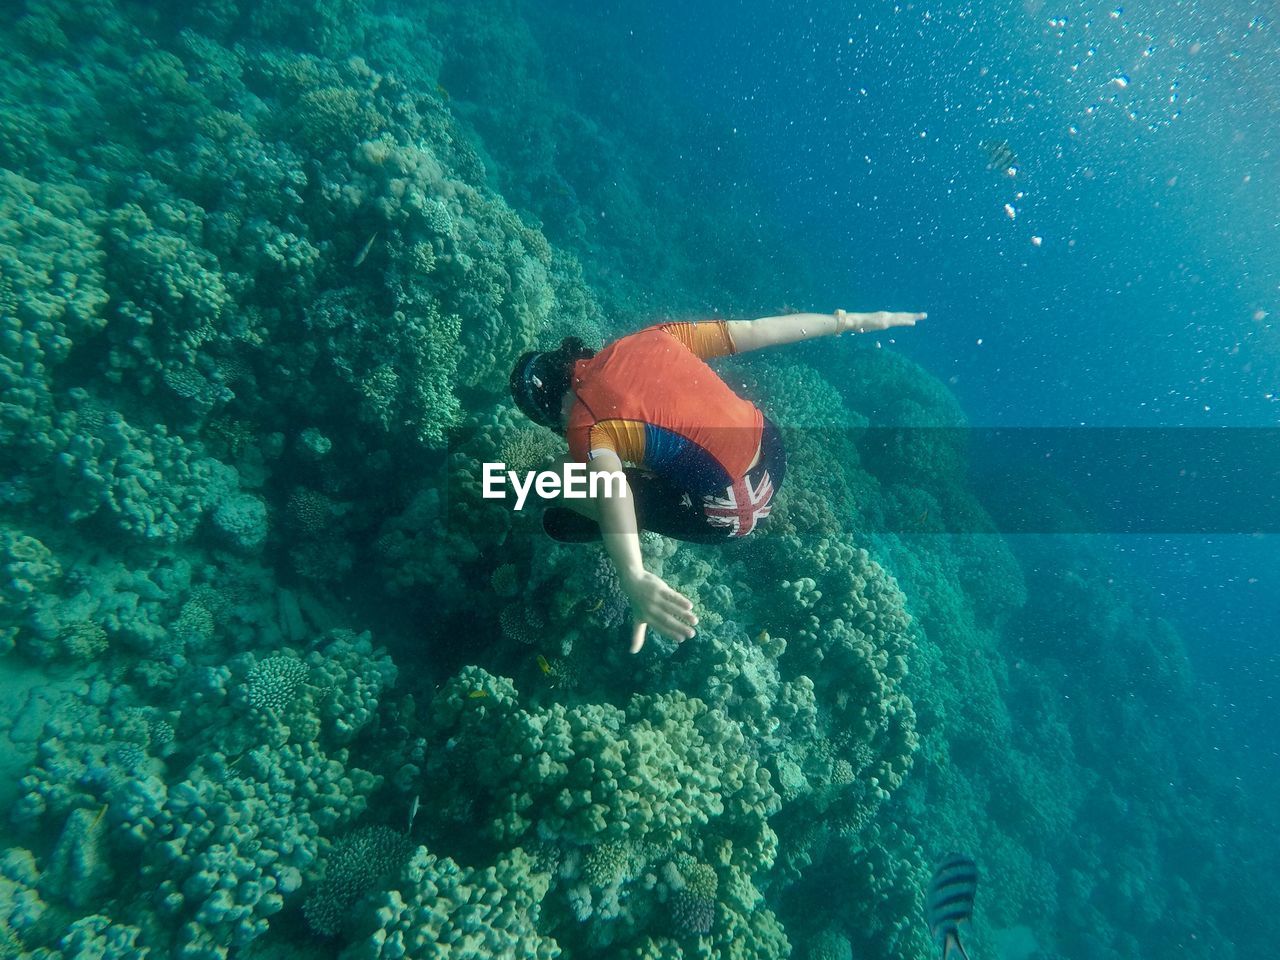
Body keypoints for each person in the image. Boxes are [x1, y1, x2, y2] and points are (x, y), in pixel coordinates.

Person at [508, 309, 924, 653]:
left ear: (552, 406)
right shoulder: (652, 337)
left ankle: (601, 516)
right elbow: (754, 331)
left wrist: (633, 576)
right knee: (661, 441)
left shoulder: (586, 424)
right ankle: (665, 481)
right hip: (772, 448)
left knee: (563, 472)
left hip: (734, 512)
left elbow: (613, 492)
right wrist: (842, 322)